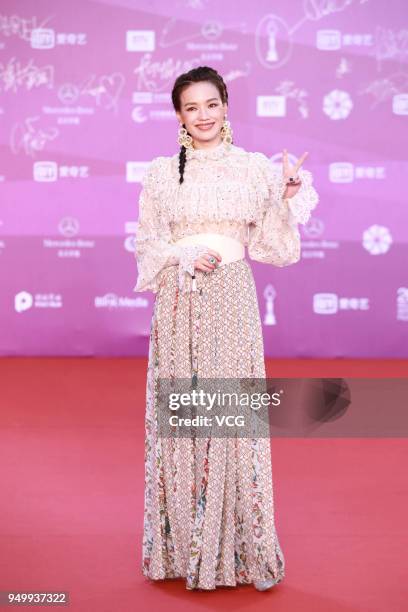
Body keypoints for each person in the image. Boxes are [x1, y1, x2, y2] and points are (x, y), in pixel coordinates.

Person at [133, 66, 319, 592]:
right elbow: (148, 246)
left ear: (226, 106)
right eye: (192, 107)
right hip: (177, 305)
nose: (204, 115)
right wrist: (181, 252)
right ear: (179, 115)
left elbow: (274, 248)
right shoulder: (161, 173)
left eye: (211, 104)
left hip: (231, 304)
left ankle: (236, 544)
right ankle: (181, 544)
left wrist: (285, 196)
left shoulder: (254, 169)